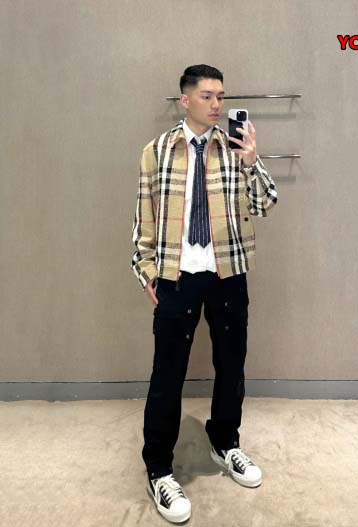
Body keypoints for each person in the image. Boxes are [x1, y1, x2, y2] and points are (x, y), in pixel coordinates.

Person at [131, 64, 278, 523]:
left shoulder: (234, 147)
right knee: (167, 374)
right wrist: (146, 271)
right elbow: (144, 217)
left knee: (231, 365)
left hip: (227, 274)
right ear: (185, 100)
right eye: (208, 96)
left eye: (221, 96)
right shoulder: (157, 152)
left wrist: (252, 160)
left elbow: (265, 204)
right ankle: (159, 468)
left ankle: (225, 441)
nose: (217, 104)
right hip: (177, 276)